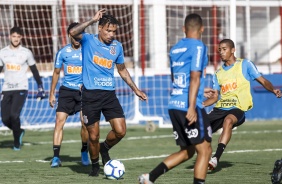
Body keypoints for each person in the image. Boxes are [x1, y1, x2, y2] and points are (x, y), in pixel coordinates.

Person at [69, 9, 148, 176]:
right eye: (108, 30)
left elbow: (122, 70)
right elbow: (73, 32)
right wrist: (91, 20)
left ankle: (104, 149)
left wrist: (136, 89)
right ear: (100, 28)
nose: (111, 34)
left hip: (109, 95)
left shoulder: (117, 47)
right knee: (93, 135)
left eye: (114, 31)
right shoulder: (88, 40)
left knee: (121, 131)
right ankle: (95, 166)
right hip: (90, 95)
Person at [138, 13, 212, 184]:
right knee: (205, 150)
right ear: (202, 29)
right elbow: (194, 77)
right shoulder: (199, 47)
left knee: (188, 151)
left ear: (183, 29)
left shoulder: (175, 49)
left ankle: (150, 178)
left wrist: (201, 89)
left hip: (174, 104)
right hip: (188, 105)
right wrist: (192, 106)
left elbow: (176, 78)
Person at [203, 38, 281, 170]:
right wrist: (202, 103)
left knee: (228, 121)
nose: (221, 52)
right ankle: (203, 158)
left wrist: (273, 90)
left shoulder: (245, 64)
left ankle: (216, 158)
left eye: (224, 49)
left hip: (238, 108)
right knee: (200, 130)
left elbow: (262, 80)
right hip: (220, 108)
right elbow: (215, 96)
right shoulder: (218, 73)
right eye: (219, 50)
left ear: (233, 50)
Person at [49, 22, 90, 167]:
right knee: (59, 121)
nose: (78, 38)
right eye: (75, 35)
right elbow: (56, 73)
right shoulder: (62, 52)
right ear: (69, 35)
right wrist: (52, 93)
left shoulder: (88, 51)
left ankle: (84, 151)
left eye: (80, 34)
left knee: (85, 123)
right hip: (66, 91)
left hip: (84, 91)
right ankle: (55, 157)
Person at [0, 26, 45, 150]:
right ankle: (19, 131)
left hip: (21, 88)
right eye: (13, 36)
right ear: (10, 37)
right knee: (5, 119)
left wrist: (40, 86)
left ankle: (16, 143)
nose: (15, 39)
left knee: (14, 115)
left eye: (18, 37)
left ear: (21, 38)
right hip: (6, 88)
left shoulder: (26, 52)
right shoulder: (3, 52)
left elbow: (35, 70)